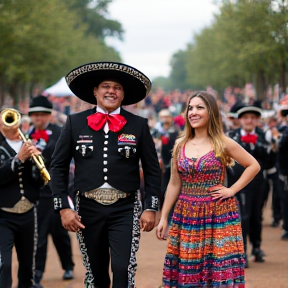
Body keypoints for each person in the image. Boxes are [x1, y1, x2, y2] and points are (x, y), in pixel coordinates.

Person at [49, 61, 161, 288]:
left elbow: (152, 170)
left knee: (122, 269)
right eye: (105, 86)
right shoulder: (74, 122)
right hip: (87, 208)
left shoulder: (139, 125)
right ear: (95, 91)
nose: (111, 91)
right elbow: (58, 166)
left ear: (123, 94)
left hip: (126, 207)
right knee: (97, 273)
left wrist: (151, 207)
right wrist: (63, 207)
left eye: (117, 87)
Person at [156, 91, 260, 288]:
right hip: (186, 214)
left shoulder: (222, 142)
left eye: (199, 107)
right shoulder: (180, 144)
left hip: (218, 214)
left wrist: (231, 190)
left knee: (218, 269)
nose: (193, 112)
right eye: (190, 108)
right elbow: (174, 183)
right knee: (188, 270)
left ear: (211, 112)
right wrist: (163, 217)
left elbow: (253, 165)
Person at [27, 96, 75, 286]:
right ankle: (37, 274)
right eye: (35, 115)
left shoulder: (59, 132)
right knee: (38, 236)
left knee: (59, 233)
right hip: (36, 193)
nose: (39, 119)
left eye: (42, 115)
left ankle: (68, 265)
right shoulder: (26, 134)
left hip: (55, 191)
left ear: (48, 116)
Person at [0, 108, 44, 288]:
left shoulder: (28, 143)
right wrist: (18, 160)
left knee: (27, 266)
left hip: (28, 212)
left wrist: (38, 163)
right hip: (3, 215)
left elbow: (38, 182)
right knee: (4, 264)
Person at [227, 104, 269, 265]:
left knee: (257, 216)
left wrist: (256, 145)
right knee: (243, 216)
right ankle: (241, 251)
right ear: (240, 120)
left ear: (257, 120)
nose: (249, 121)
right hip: (239, 183)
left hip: (259, 182)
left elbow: (270, 156)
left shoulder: (263, 136)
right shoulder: (232, 136)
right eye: (246, 118)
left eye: (252, 118)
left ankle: (256, 247)